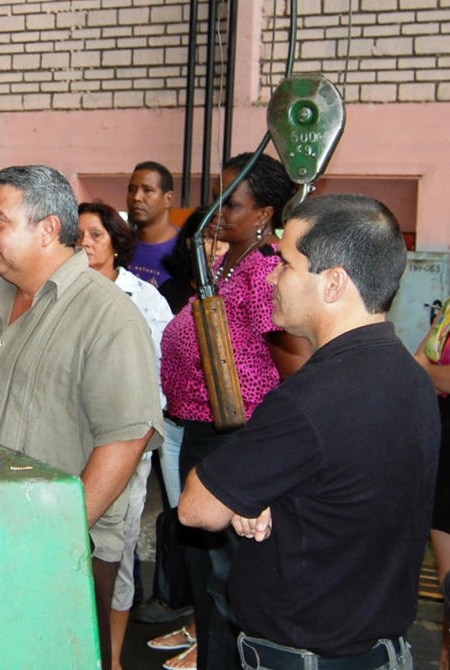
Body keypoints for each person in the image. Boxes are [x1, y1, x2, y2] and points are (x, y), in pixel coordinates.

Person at [179, 193, 439, 670]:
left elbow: (197, 509)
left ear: (333, 283)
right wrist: (260, 498)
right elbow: (338, 492)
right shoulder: (410, 377)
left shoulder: (312, 399)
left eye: (286, 263)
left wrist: (244, 499)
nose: (274, 278)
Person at [0, 165, 163, 668]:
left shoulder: (108, 317)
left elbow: (127, 439)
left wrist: (56, 537)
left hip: (61, 554)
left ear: (47, 229)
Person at [158, 152, 311, 670]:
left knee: (225, 580)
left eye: (233, 201)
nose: (218, 209)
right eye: (218, 196)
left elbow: (297, 367)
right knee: (207, 579)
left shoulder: (265, 272)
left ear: (265, 212)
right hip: (201, 437)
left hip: (234, 442)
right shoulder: (227, 264)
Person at [78, 201, 173, 670]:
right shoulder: (62, 295)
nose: (85, 244)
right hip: (72, 440)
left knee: (117, 548)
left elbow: (161, 379)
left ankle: (112, 658)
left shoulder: (147, 301)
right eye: (78, 235)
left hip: (127, 445)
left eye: (96, 235)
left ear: (116, 241)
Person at [415, 292, 450, 670]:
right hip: (445, 450)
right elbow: (416, 360)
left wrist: (430, 371)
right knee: (449, 586)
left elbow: (424, 366)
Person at [127, 161, 177, 287]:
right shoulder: (120, 244)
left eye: (147, 190)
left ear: (168, 199)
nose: (136, 197)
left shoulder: (185, 249)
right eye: (132, 190)